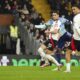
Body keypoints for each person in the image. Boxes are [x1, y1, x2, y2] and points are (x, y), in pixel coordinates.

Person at [64, 4, 80, 72]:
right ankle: (68, 70)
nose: (73, 11)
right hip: (75, 38)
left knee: (68, 52)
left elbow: (76, 28)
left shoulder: (76, 17)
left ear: (79, 9)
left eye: (74, 9)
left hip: (77, 39)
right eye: (72, 9)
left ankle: (68, 70)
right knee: (68, 51)